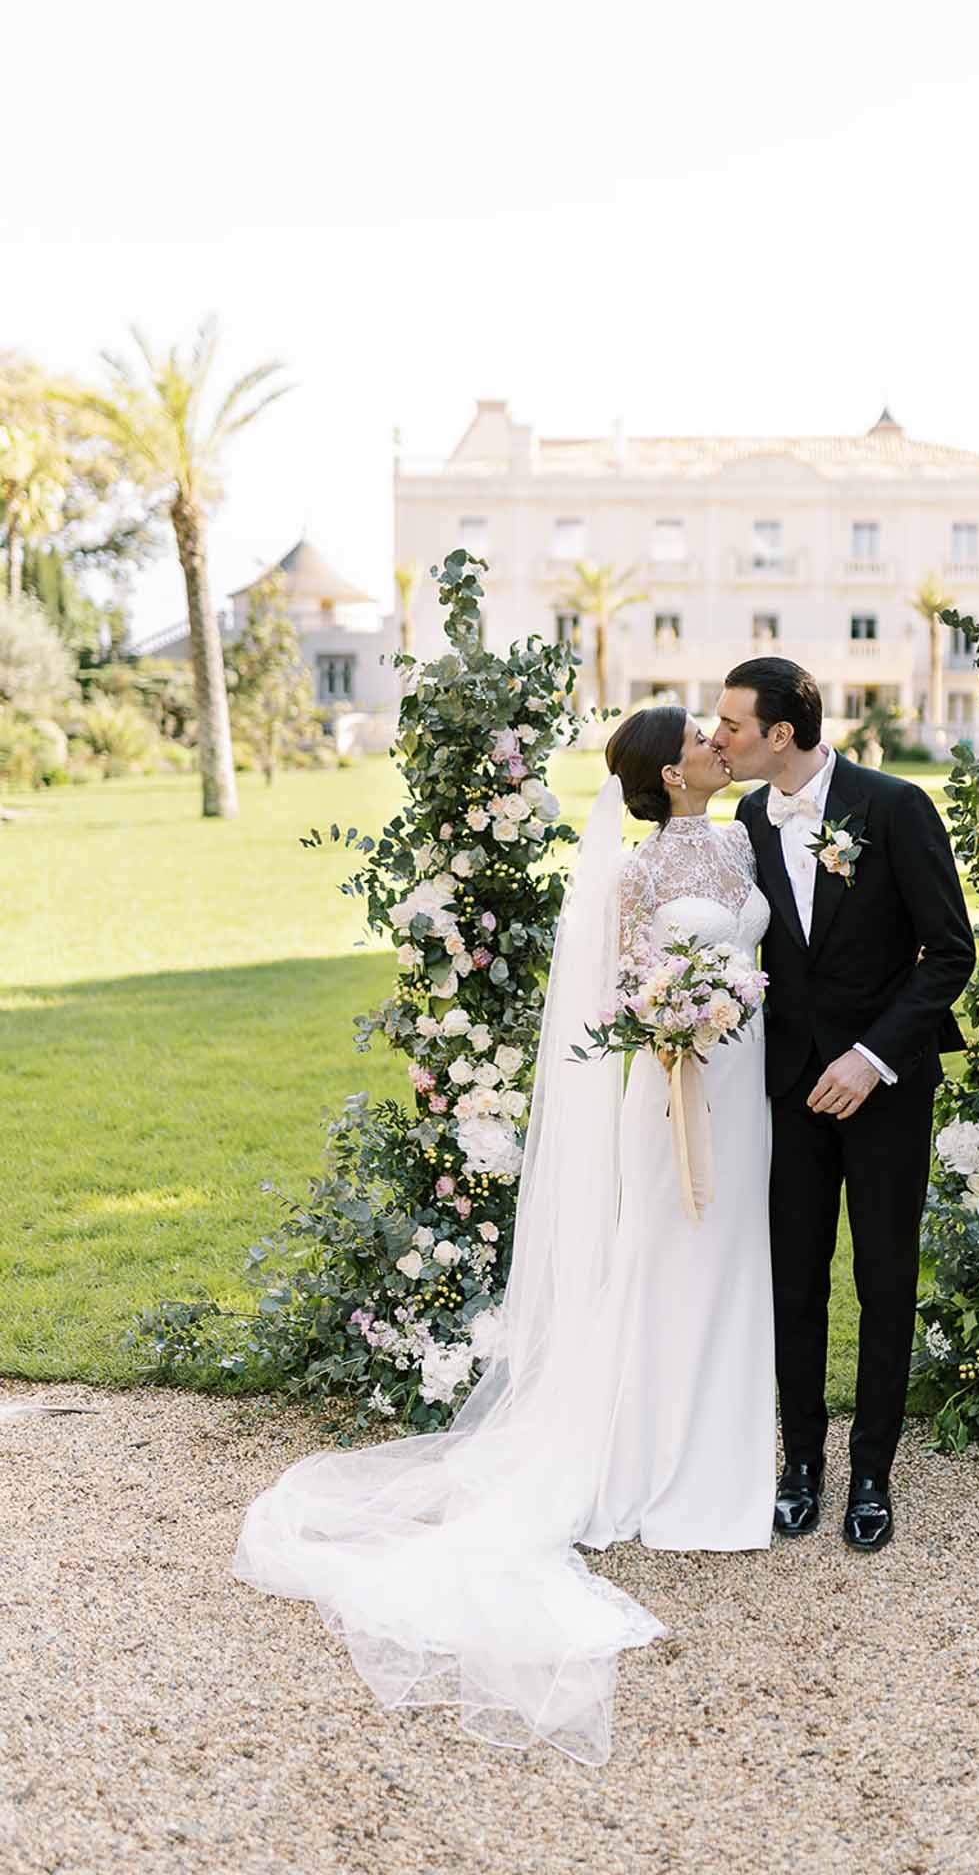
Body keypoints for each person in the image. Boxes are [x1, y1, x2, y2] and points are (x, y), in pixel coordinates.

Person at [233, 706, 775, 1766]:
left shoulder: (744, 838)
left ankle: (728, 1448)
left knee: (732, 1263)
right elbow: (620, 990)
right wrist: (671, 1019)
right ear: (672, 774)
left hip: (746, 1090)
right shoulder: (632, 873)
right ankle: (654, 1456)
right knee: (665, 1263)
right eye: (704, 743)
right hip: (673, 1088)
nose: (723, 745)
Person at [714, 658, 975, 1553]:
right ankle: (799, 1465)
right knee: (794, 1278)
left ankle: (872, 1471)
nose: (720, 739)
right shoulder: (749, 817)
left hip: (884, 1090)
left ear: (781, 734)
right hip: (785, 1088)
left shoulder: (896, 807)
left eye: (733, 726)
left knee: (885, 1278)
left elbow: (949, 954)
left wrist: (870, 1058)